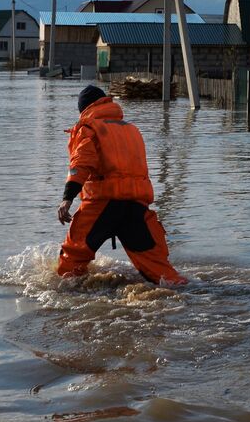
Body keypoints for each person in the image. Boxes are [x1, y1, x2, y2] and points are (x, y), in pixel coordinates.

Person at [56, 85, 187, 285]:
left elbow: (81, 164)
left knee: (70, 264)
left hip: (102, 203)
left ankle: (63, 296)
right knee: (159, 271)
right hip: (135, 205)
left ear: (84, 109)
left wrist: (67, 198)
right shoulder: (131, 129)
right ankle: (191, 293)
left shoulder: (88, 128)